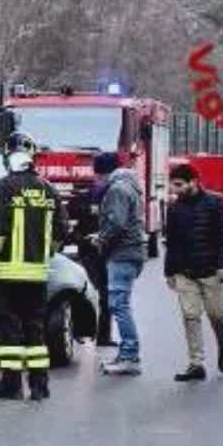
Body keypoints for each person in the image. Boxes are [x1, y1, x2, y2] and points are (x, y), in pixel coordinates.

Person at [0, 133, 64, 401]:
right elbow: (61, 230)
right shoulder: (49, 189)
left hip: (9, 276)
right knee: (35, 329)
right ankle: (39, 386)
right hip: (37, 276)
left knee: (10, 331)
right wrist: (43, 253)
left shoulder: (3, 188)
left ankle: (11, 385)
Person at [163, 163, 223, 381]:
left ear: (193, 182)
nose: (174, 189)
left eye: (178, 185)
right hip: (185, 273)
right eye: (172, 185)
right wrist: (169, 272)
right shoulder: (174, 209)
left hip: (211, 271)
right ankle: (196, 364)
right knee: (190, 316)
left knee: (217, 315)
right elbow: (172, 242)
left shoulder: (215, 203)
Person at [90, 150, 147, 375]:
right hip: (131, 252)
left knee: (119, 305)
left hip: (122, 254)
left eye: (96, 175)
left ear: (103, 173)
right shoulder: (129, 186)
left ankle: (130, 357)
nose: (95, 180)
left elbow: (117, 223)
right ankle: (126, 353)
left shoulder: (117, 189)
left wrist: (100, 239)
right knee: (120, 303)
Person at [65, 178, 115, 348]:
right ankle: (100, 335)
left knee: (96, 293)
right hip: (95, 252)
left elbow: (68, 227)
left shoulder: (78, 202)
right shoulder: (109, 196)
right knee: (102, 294)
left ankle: (92, 333)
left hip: (92, 252)